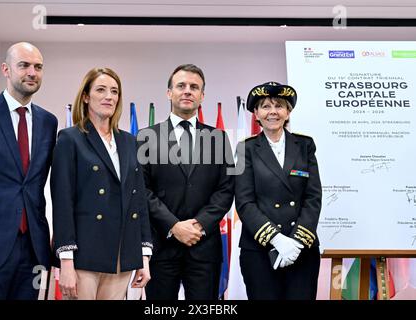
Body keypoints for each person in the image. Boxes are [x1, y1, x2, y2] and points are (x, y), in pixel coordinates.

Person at [0, 42, 58, 299]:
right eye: (24, 65)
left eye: (38, 67)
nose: (32, 72)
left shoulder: (49, 122)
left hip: (32, 248)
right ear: (6, 70)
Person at [50, 67, 152, 300]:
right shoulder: (70, 138)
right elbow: (62, 202)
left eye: (114, 91)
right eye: (101, 90)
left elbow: (138, 201)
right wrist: (66, 261)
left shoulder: (129, 141)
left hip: (122, 254)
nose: (109, 96)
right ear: (85, 96)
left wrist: (143, 256)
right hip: (85, 254)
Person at [137, 64, 234, 300]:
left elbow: (226, 189)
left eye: (194, 87)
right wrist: (174, 226)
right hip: (162, 247)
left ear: (202, 95)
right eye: (181, 86)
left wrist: (199, 225)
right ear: (169, 92)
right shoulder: (145, 137)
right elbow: (142, 190)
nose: (187, 91)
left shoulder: (219, 138)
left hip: (204, 248)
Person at [235, 81, 322, 300]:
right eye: (265, 106)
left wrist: (295, 242)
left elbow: (313, 197)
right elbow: (244, 202)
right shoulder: (244, 149)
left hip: (301, 248)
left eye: (279, 105)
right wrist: (277, 240)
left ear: (288, 111)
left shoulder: (305, 146)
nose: (272, 111)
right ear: (256, 113)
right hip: (259, 250)